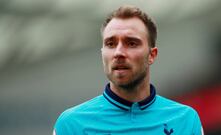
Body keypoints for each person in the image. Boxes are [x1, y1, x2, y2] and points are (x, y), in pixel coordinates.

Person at [53, 5, 204, 135]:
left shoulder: (185, 120)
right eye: (110, 44)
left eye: (131, 43)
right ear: (102, 53)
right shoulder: (71, 125)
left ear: (152, 55)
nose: (118, 52)